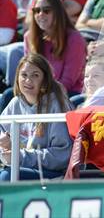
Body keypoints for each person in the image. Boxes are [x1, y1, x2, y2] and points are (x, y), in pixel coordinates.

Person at [0, 53, 73, 181]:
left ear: (45, 80)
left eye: (35, 75)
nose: (28, 80)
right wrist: (4, 144)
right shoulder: (15, 103)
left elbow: (62, 156)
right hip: (20, 166)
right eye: (24, 75)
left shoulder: (57, 105)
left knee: (7, 176)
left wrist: (19, 156)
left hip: (53, 173)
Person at [25, 0, 87, 95]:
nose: (40, 14)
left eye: (46, 10)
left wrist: (41, 94)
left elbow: (68, 82)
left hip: (68, 94)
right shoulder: (29, 37)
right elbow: (28, 74)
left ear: (57, 13)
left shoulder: (74, 39)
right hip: (39, 91)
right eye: (37, 10)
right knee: (8, 95)